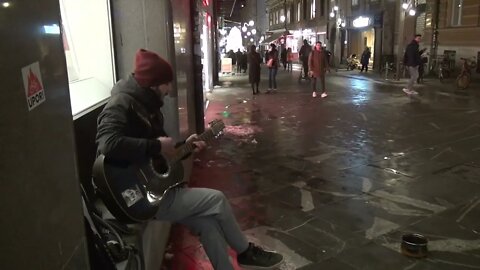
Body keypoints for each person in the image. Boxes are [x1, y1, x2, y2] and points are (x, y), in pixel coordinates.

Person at [95, 49, 284, 270]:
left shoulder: (146, 105)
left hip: (152, 187)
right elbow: (107, 143)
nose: (169, 90)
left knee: (207, 224)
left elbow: (156, 155)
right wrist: (156, 145)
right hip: (139, 196)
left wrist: (185, 145)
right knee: (217, 200)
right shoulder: (122, 102)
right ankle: (245, 252)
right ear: (154, 83)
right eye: (166, 84)